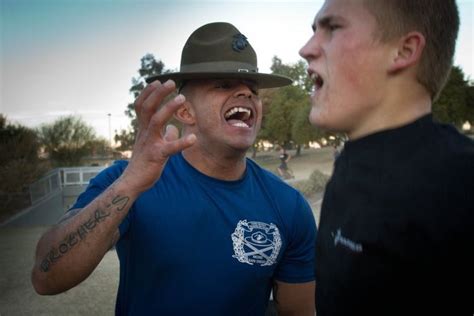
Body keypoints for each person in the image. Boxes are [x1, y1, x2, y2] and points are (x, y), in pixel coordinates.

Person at [31, 22, 317, 316]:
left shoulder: (288, 206)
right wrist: (130, 185)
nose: (246, 93)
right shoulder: (127, 181)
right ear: (184, 112)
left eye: (252, 89)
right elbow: (46, 276)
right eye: (224, 85)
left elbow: (298, 312)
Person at [299, 0, 473, 315]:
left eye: (333, 27)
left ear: (404, 51)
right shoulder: (350, 163)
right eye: (314, 31)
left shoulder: (460, 179)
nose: (306, 49)